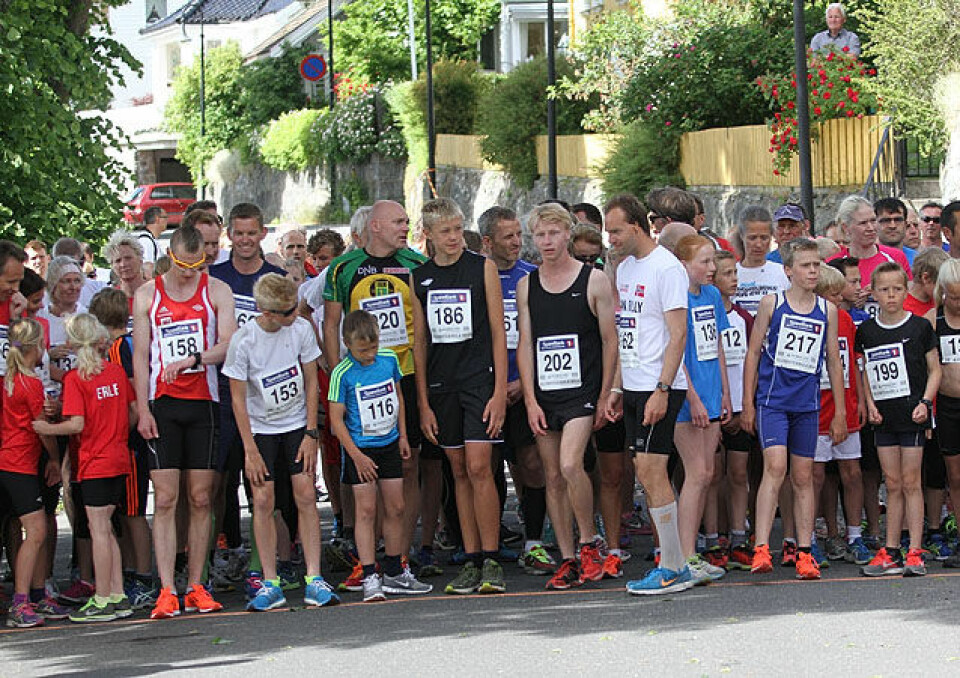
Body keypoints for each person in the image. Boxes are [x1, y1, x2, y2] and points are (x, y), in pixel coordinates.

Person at [132, 224, 236, 619]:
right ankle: (165, 589)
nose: (190, 273)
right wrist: (142, 409)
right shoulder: (148, 294)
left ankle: (196, 583)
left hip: (204, 403)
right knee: (167, 498)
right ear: (170, 257)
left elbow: (229, 343)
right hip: (163, 405)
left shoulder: (216, 291)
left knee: (201, 498)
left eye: (197, 265)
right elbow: (140, 357)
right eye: (183, 265)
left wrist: (193, 360)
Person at [323, 200, 427, 581]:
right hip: (359, 379)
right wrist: (339, 375)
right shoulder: (343, 268)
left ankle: (399, 553)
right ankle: (366, 551)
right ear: (377, 226)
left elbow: (424, 327)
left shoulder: (415, 263)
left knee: (406, 461)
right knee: (361, 464)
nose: (406, 226)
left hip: (404, 375)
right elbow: (331, 324)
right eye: (399, 221)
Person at [223, 273, 340, 609]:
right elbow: (238, 400)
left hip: (295, 425)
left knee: (305, 494)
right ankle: (270, 581)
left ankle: (314, 577)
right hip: (261, 430)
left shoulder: (301, 330)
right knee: (263, 500)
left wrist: (310, 433)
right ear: (269, 313)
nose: (295, 316)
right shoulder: (244, 341)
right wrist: (250, 450)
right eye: (288, 312)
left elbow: (311, 383)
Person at [516, 202, 617, 590]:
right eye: (540, 235)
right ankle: (568, 557)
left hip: (583, 391)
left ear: (568, 235)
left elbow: (610, 342)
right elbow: (525, 345)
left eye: (553, 233)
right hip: (545, 393)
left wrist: (607, 392)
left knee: (573, 465)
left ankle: (589, 541)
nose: (546, 241)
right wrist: (529, 400)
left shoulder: (592, 280)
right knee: (553, 476)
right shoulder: (528, 285)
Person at [412, 198, 509, 595]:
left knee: (481, 466)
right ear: (429, 235)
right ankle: (470, 559)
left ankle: (491, 557)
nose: (454, 238)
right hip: (440, 385)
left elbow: (499, 331)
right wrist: (422, 404)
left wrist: (501, 390)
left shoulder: (481, 267)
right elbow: (419, 342)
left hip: (479, 379)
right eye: (446, 231)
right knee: (458, 471)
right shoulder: (420, 277)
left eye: (457, 229)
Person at [742, 238, 847, 581]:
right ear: (788, 271)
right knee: (775, 467)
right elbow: (754, 353)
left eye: (816, 264)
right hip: (773, 401)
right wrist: (748, 403)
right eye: (805, 265)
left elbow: (834, 361)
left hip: (807, 405)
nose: (813, 270)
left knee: (803, 476)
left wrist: (842, 412)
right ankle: (760, 547)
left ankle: (804, 550)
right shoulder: (772, 304)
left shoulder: (827, 310)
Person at [603, 194, 693, 595]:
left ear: (637, 227)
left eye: (616, 230)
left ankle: (673, 565)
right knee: (644, 471)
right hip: (636, 384)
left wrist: (661, 389)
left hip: (660, 386)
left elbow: (679, 335)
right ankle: (675, 563)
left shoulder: (667, 268)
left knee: (652, 472)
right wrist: (619, 386)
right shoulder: (624, 269)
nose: (611, 238)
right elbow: (628, 332)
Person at [34, 314, 136, 622]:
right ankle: (117, 593)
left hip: (94, 461)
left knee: (99, 530)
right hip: (118, 457)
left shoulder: (76, 379)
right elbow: (131, 411)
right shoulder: (116, 372)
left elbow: (77, 423)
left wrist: (45, 428)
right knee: (107, 527)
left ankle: (103, 596)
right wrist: (116, 434)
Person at [330, 309, 433, 601]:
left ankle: (394, 570)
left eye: (373, 347)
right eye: (363, 350)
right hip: (360, 447)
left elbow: (398, 395)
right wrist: (356, 456)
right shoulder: (343, 372)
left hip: (388, 442)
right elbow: (336, 420)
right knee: (366, 510)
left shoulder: (388, 360)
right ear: (348, 345)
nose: (369, 354)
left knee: (397, 506)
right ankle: (368, 573)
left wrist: (402, 435)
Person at [478, 207, 552, 575]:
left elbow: (544, 337)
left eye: (519, 234)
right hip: (486, 388)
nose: (517, 242)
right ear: (488, 242)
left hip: (524, 387)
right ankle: (488, 546)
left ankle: (534, 541)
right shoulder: (477, 276)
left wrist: (523, 383)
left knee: (531, 464)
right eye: (508, 236)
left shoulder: (532, 278)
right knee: (486, 466)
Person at [857, 263, 940, 576]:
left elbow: (935, 370)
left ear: (906, 291)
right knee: (890, 483)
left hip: (913, 415)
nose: (891, 295)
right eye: (884, 289)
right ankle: (890, 549)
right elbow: (863, 372)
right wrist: (869, 404)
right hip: (884, 417)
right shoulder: (867, 331)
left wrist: (925, 403)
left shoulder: (919, 328)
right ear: (874, 293)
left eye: (897, 289)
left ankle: (915, 550)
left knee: (911, 481)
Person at [90, 288, 156, 610]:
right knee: (127, 513)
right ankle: (132, 572)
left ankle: (144, 577)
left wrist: (117, 432)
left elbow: (129, 399)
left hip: (128, 443)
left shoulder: (118, 349)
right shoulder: (130, 342)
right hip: (129, 441)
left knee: (133, 513)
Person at [672, 235, 732, 584]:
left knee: (706, 473)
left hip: (711, 392)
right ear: (684, 263)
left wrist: (723, 393)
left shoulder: (710, 295)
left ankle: (687, 553)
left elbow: (718, 346)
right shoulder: (677, 297)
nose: (712, 269)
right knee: (695, 474)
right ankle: (684, 554)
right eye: (705, 262)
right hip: (686, 396)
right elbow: (675, 350)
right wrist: (692, 397)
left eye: (714, 262)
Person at [0, 319, 63, 628]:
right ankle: (21, 600)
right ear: (36, 346)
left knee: (35, 528)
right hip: (21, 462)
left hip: (12, 460)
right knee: (37, 530)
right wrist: (55, 460)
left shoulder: (10, 378)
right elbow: (43, 429)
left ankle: (37, 594)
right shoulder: (31, 382)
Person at [812, 264, 870, 565]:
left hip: (845, 405)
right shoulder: (808, 320)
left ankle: (855, 535)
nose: (837, 300)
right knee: (817, 475)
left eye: (839, 295)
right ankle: (819, 536)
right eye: (832, 295)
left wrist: (860, 401)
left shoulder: (846, 320)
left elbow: (857, 364)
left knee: (852, 472)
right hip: (818, 409)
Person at [710, 250, 755, 570]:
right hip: (711, 407)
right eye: (727, 273)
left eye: (735, 273)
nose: (734, 280)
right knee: (710, 474)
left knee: (738, 473)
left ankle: (739, 534)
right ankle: (712, 537)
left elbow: (753, 364)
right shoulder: (701, 313)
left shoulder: (744, 318)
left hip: (740, 405)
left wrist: (746, 405)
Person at [928, 259, 960, 567]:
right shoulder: (932, 320)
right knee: (955, 475)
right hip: (948, 407)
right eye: (954, 297)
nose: (959, 303)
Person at [833, 196, 913, 320]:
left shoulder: (895, 257)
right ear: (846, 227)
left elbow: (909, 299)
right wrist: (849, 300)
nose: (870, 228)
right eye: (863, 223)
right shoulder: (835, 263)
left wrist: (879, 292)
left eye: (873, 220)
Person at [733, 206, 791, 316]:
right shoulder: (731, 273)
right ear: (742, 236)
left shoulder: (782, 273)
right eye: (752, 238)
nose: (758, 244)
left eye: (764, 238)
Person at [39, 256, 86, 383]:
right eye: (66, 281)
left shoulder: (87, 317)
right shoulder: (40, 316)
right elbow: (16, 345)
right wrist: (46, 355)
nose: (73, 287)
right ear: (53, 285)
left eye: (77, 281)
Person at [904, 247, 949, 317]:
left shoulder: (941, 302)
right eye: (942, 285)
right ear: (926, 278)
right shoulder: (903, 307)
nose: (945, 290)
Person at [875, 197, 916, 266]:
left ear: (905, 224)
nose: (892, 226)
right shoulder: (865, 259)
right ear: (875, 225)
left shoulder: (917, 260)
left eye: (898, 220)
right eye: (886, 220)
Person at [136, 207, 167, 277]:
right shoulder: (146, 241)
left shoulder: (151, 240)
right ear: (157, 219)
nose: (167, 221)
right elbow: (147, 270)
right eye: (165, 217)